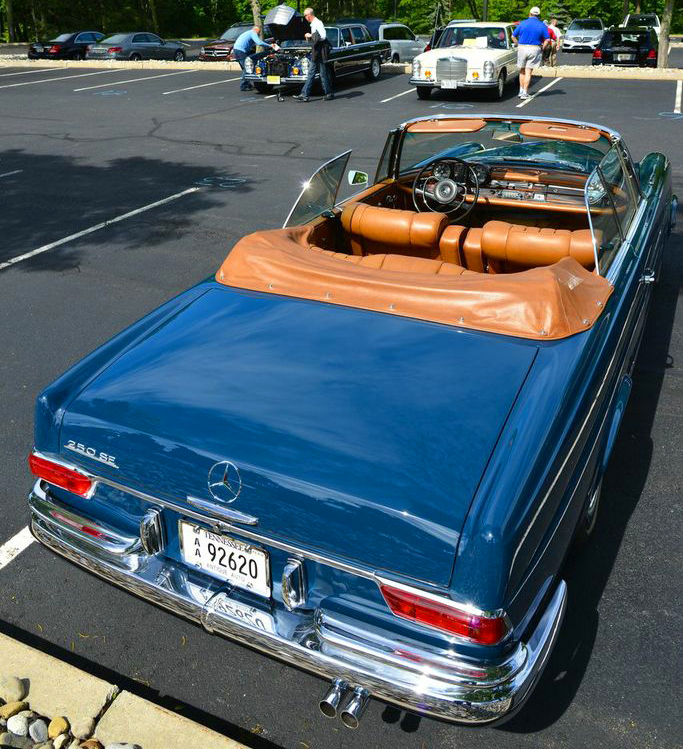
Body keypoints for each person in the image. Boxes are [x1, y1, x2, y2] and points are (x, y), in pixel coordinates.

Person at [294, 7, 333, 102]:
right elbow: (316, 39)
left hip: (320, 52)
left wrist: (310, 35)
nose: (305, 18)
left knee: (322, 74)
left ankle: (328, 93)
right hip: (316, 52)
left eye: (305, 16)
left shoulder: (317, 23)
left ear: (309, 15)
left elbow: (323, 36)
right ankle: (305, 94)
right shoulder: (314, 24)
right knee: (312, 73)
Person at [512, 6, 550, 99]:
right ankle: (525, 93)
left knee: (521, 71)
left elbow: (513, 36)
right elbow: (547, 39)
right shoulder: (542, 25)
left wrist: (518, 44)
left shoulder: (522, 23)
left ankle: (520, 91)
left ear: (530, 13)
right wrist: (542, 48)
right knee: (528, 72)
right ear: (538, 15)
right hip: (534, 48)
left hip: (522, 48)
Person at [233, 25, 279, 92]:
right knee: (248, 68)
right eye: (259, 31)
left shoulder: (248, 33)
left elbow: (255, 43)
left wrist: (266, 44)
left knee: (245, 68)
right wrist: (270, 45)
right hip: (240, 51)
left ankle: (247, 85)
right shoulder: (253, 33)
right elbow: (259, 42)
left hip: (237, 50)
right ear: (256, 29)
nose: (259, 33)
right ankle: (244, 86)